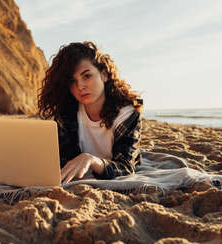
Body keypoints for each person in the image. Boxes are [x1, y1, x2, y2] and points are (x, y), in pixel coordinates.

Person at [38, 42, 143, 184]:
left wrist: (91, 160)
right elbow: (65, 160)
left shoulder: (126, 114)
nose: (80, 86)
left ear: (104, 75)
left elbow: (125, 168)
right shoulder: (68, 112)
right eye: (72, 81)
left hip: (108, 167)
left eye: (86, 76)